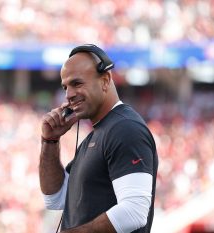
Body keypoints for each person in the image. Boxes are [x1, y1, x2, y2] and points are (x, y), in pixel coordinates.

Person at [39, 44, 158, 233]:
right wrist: (50, 142)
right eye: (65, 87)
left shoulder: (125, 128)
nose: (68, 94)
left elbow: (135, 211)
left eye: (77, 83)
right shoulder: (98, 133)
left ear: (105, 80)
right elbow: (55, 199)